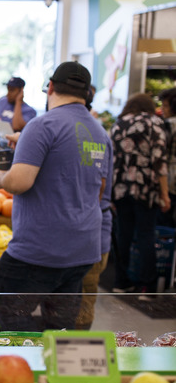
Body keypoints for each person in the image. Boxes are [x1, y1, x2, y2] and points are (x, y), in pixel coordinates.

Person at [0, 61, 110, 331]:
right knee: (59, 326)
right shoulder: (100, 134)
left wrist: (0, 178)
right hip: (82, 251)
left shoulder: (42, 125)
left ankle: (30, 365)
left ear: (52, 87)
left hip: (39, 249)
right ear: (86, 95)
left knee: (12, 315)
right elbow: (101, 190)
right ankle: (53, 367)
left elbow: (20, 182)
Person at [110, 93, 170, 300]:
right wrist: (164, 194)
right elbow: (159, 160)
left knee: (123, 235)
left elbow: (112, 160)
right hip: (146, 189)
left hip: (120, 188)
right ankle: (148, 287)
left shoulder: (119, 124)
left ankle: (121, 282)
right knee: (145, 235)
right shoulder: (155, 123)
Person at [76, 86, 113, 330]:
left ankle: (73, 359)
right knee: (83, 301)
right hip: (95, 232)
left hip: (87, 234)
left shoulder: (90, 135)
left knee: (81, 303)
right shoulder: (99, 134)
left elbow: (97, 189)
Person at [159, 87, 176, 227]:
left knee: (165, 224)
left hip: (170, 180)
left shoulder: (169, 125)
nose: (162, 109)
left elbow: (161, 154)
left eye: (165, 105)